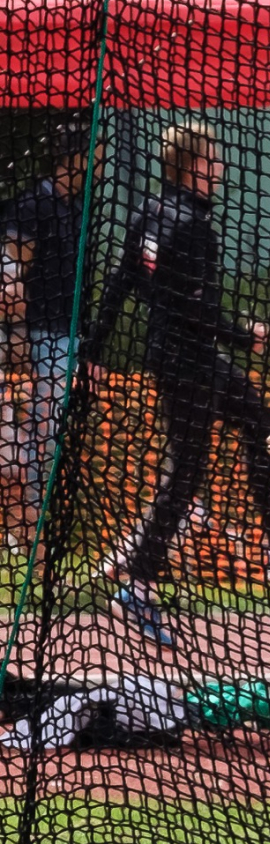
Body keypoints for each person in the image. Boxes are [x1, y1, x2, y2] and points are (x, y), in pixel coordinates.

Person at [83, 120, 270, 646]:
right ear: (192, 165)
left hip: (181, 356)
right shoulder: (191, 227)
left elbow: (122, 282)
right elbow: (200, 309)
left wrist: (94, 350)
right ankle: (138, 587)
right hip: (188, 360)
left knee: (260, 423)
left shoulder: (149, 214)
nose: (222, 166)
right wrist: (246, 335)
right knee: (188, 474)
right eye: (214, 158)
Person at [2, 118, 98, 564]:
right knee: (39, 441)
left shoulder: (75, 208)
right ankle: (32, 542)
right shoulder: (34, 204)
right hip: (40, 334)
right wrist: (16, 331)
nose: (94, 164)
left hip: (67, 334)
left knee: (51, 438)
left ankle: (40, 538)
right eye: (89, 155)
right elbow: (13, 270)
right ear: (73, 158)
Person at [0, 672, 270, 754]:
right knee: (254, 702)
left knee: (253, 701)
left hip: (169, 704)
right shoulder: (43, 714)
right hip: (174, 710)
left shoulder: (43, 702)